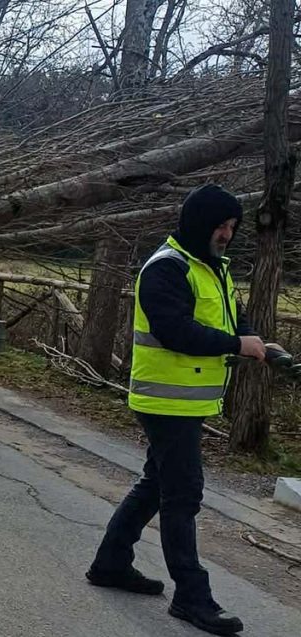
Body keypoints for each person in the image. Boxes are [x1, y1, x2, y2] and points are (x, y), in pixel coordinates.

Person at [85, 184, 268, 637]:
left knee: (155, 484)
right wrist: (235, 343)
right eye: (220, 225)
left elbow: (231, 320)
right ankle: (191, 596)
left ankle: (110, 563)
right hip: (164, 401)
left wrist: (257, 344)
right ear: (197, 222)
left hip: (188, 399)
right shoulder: (167, 268)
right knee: (182, 494)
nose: (226, 234)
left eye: (231, 227)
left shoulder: (213, 269)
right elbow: (175, 331)